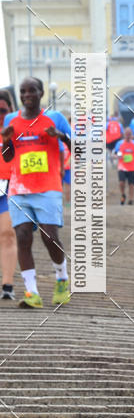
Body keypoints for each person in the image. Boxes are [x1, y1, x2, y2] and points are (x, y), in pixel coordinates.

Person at [1, 77, 72, 309]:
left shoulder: (56, 119)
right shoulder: (12, 120)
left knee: (49, 236)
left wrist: (60, 137)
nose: (27, 94)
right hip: (19, 188)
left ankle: (62, 278)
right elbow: (8, 157)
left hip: (48, 188)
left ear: (41, 93)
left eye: (32, 90)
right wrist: (6, 140)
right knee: (22, 235)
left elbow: (79, 148)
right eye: (23, 91)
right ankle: (32, 292)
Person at [0, 90, 17, 300]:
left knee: (7, 234)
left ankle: (7, 284)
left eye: (3, 110)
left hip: (8, 189)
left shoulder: (17, 131)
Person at [114, 127, 134, 205]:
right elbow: (115, 153)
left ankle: (131, 199)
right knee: (121, 183)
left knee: (131, 184)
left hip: (132, 166)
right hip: (122, 166)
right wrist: (117, 156)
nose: (128, 136)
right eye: (126, 134)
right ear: (124, 135)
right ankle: (123, 194)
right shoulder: (119, 143)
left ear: (131, 135)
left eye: (129, 134)